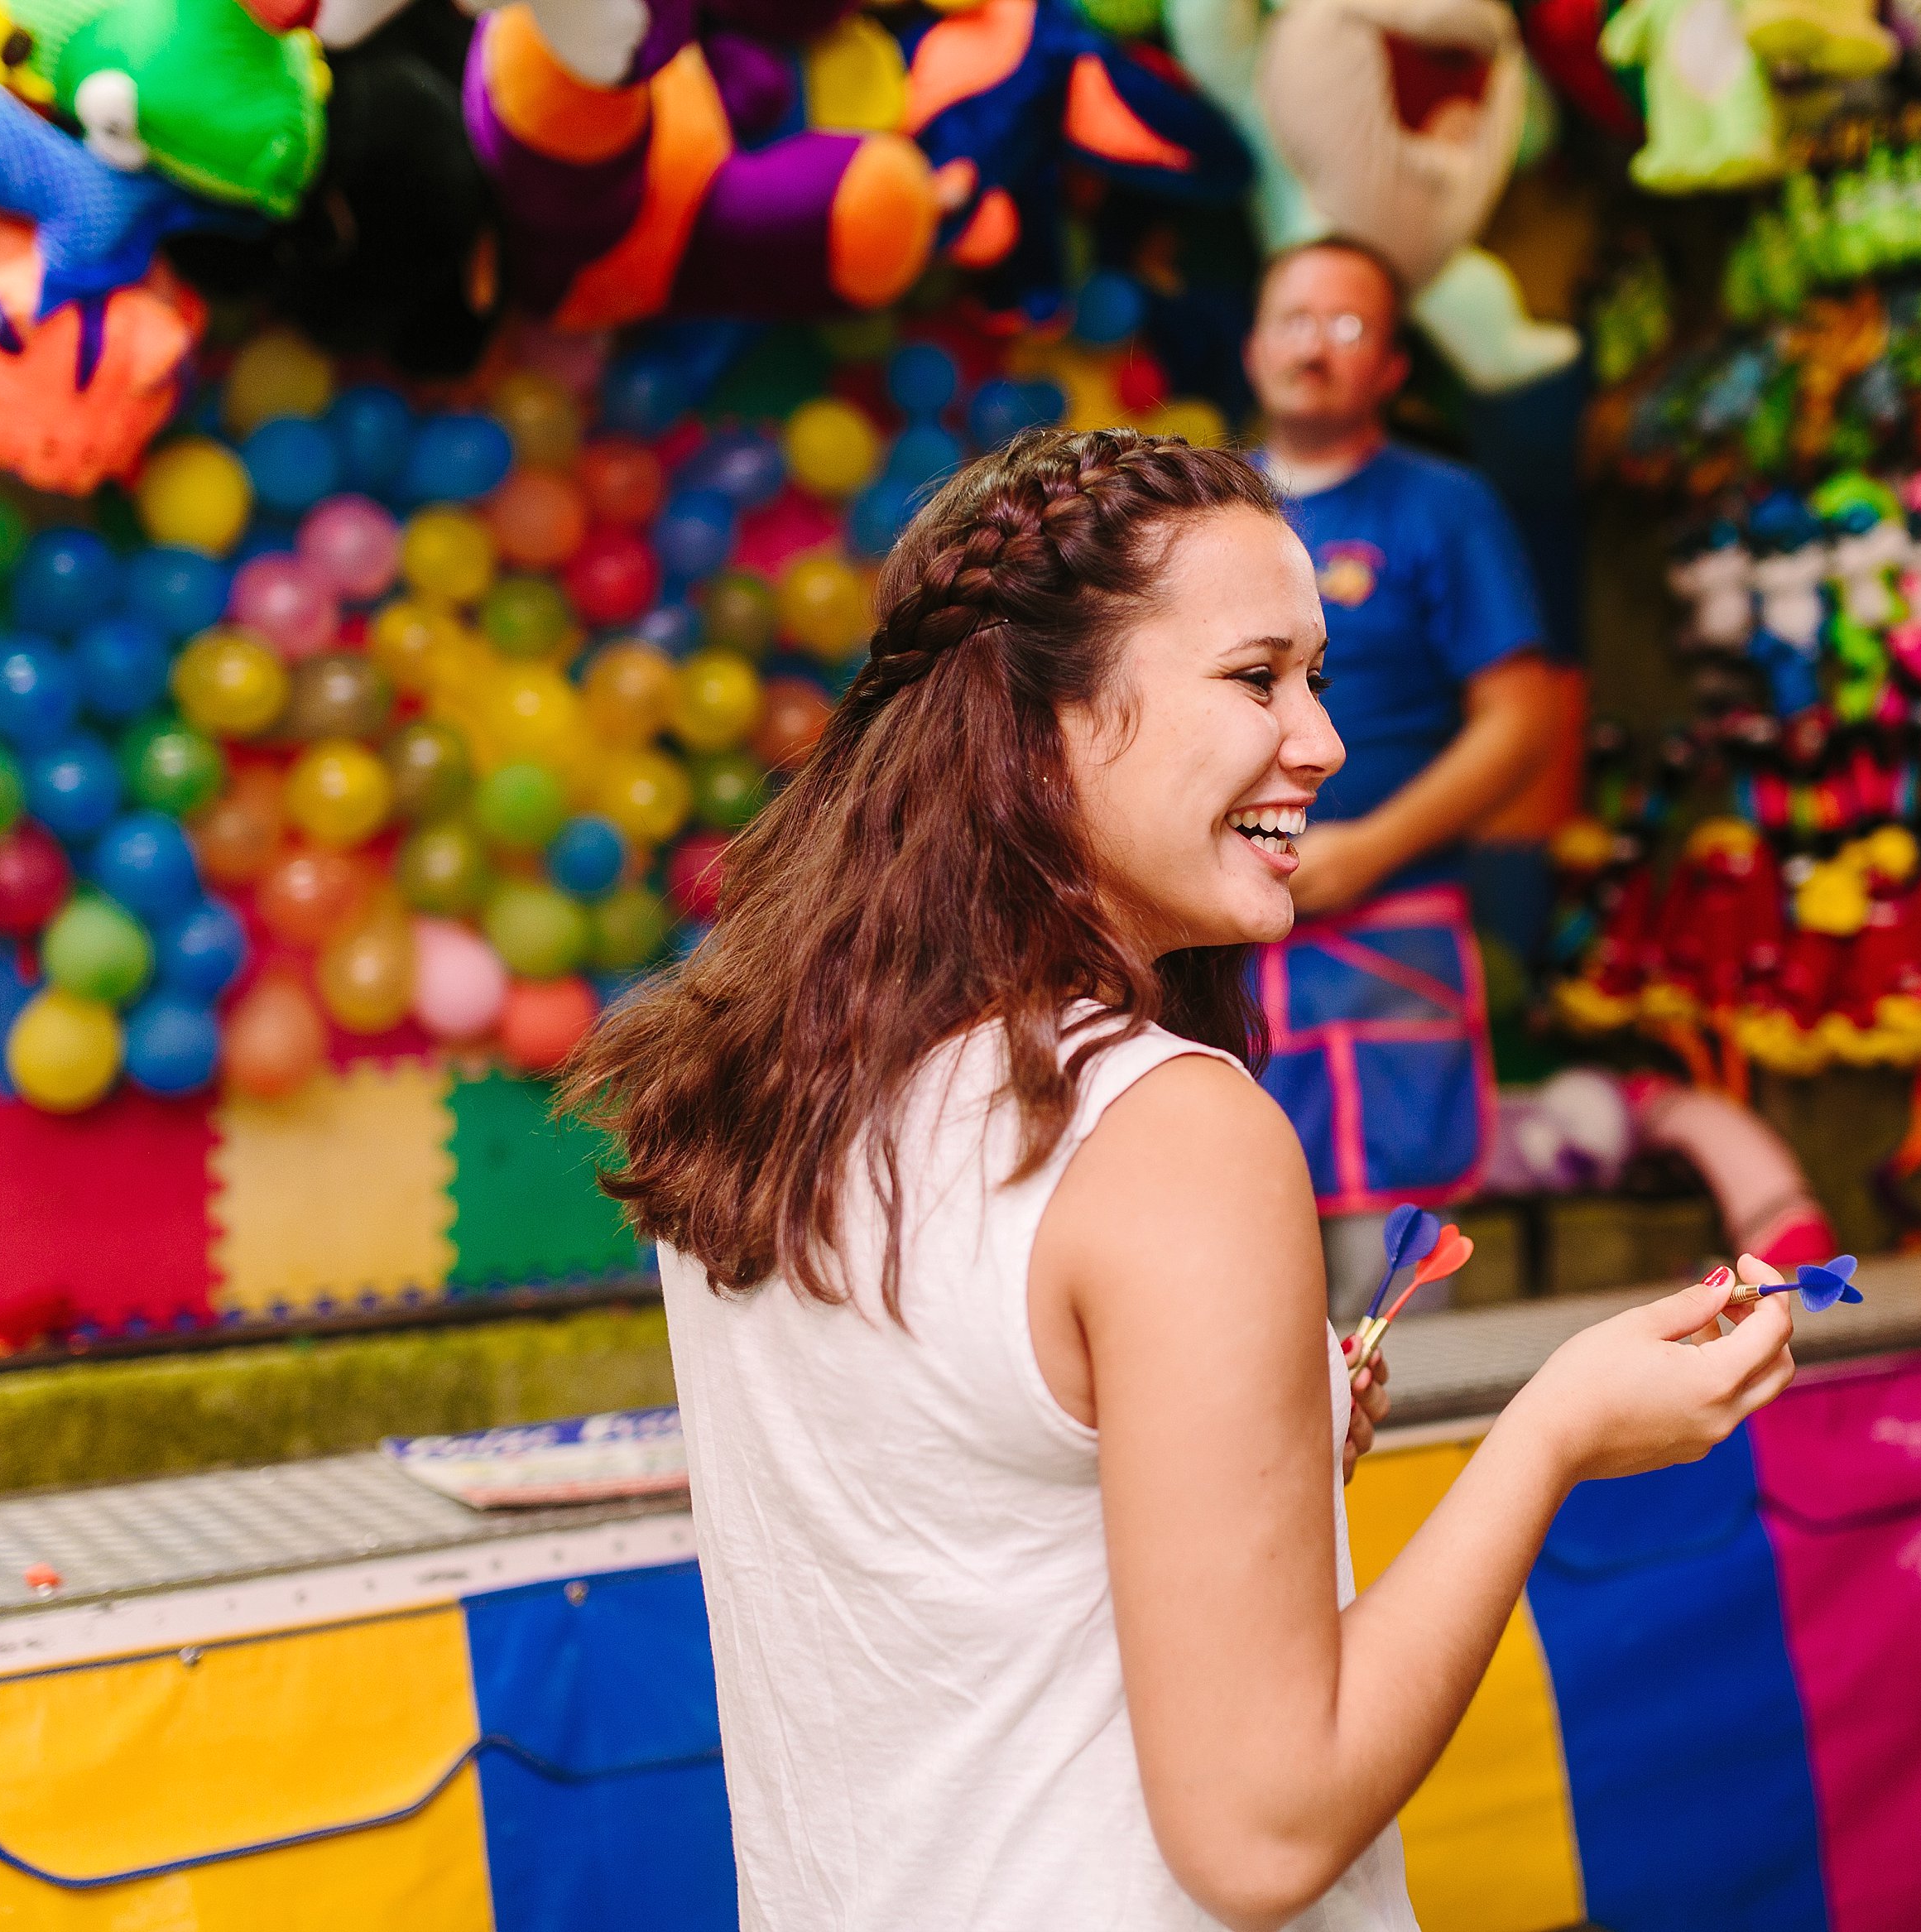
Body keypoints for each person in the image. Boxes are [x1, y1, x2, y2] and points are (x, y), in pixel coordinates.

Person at [566, 428, 1797, 1931]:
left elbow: (960, 1551)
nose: (1323, 743)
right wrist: (1551, 1431)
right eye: (1256, 677)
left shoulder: (769, 1094)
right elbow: (1263, 1833)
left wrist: (1242, 1454)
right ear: (1043, 726)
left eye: (1319, 679)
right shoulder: (1166, 1131)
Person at [1242, 238, 1555, 1313]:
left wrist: (1368, 847)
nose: (1314, 346)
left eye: (1348, 325)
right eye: (1293, 318)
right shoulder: (1208, 514)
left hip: (1393, 930)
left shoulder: (1444, 506)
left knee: (1396, 1286)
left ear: (1392, 369)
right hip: (1229, 936)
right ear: (1253, 347)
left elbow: (1520, 724)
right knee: (1239, 1251)